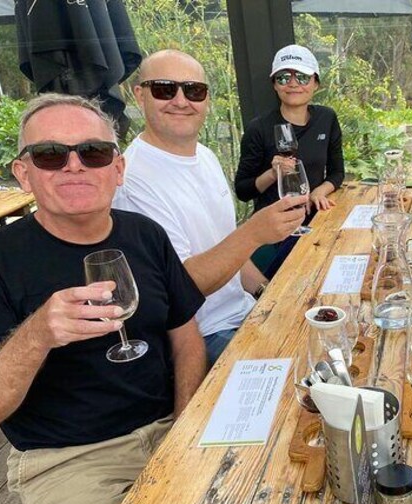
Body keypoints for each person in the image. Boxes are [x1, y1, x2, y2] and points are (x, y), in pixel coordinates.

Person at [0, 94, 207, 504]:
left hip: (170, 426)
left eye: (93, 152)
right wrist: (38, 333)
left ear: (117, 168)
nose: (74, 165)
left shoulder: (144, 234)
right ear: (24, 173)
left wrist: (185, 425)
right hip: (69, 461)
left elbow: (185, 338)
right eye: (50, 154)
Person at [113, 50, 308, 366]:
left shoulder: (205, 156)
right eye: (164, 89)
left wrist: (268, 292)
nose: (181, 101)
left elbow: (226, 249)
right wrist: (254, 233)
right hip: (203, 336)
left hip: (244, 313)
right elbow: (180, 288)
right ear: (139, 95)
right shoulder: (133, 180)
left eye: (194, 90)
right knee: (303, 376)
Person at [234, 44, 345, 278]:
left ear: (315, 83)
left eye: (302, 77)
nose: (293, 84)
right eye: (284, 77)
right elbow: (243, 190)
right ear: (275, 85)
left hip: (315, 221)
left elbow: (337, 172)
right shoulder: (259, 128)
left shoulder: (326, 118)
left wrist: (319, 191)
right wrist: (272, 173)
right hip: (274, 231)